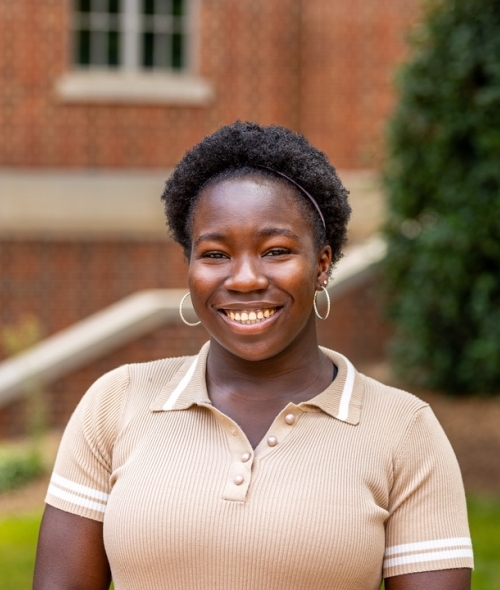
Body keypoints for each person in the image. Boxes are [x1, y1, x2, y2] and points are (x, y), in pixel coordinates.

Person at [34, 122, 473, 590]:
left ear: (322, 264)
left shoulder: (403, 430)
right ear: (190, 267)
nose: (244, 279)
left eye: (276, 250)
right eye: (216, 254)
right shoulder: (116, 402)